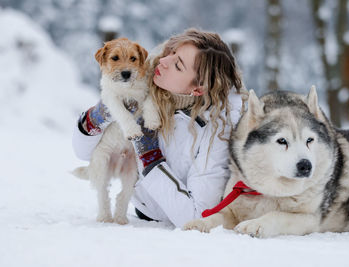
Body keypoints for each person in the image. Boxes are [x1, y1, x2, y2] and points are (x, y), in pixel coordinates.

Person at [72, 28, 245, 228]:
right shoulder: (142, 76)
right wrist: (95, 118)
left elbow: (197, 217)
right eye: (171, 52)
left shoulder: (218, 127)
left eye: (178, 65)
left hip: (163, 223)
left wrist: (149, 155)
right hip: (139, 207)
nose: (163, 61)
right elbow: (83, 152)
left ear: (197, 89)